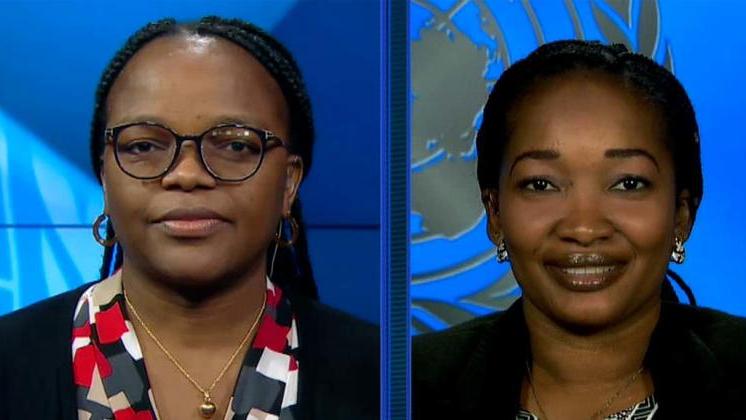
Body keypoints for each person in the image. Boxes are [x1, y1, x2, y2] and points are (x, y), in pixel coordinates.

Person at [0, 16, 377, 420]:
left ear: (288, 183)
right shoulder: (10, 362)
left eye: (235, 145)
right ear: (105, 177)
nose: (187, 174)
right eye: (144, 146)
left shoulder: (383, 377)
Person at [413, 40, 746, 419]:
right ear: (495, 213)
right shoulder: (402, 387)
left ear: (681, 215)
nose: (584, 228)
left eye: (628, 184)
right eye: (541, 184)